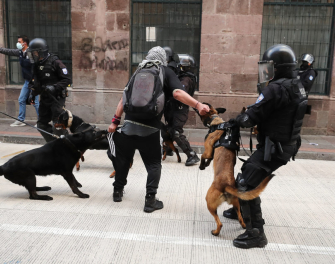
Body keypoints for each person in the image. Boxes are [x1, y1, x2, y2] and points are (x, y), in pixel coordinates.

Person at [223, 44, 307, 249]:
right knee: (249, 173)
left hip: (275, 147)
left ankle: (256, 233)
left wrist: (235, 121)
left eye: (269, 66)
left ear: (278, 67)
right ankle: (240, 210)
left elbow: (251, 116)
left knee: (246, 182)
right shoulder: (296, 84)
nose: (266, 70)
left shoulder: (275, 88)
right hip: (285, 144)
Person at [107, 46, 210, 213]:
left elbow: (123, 97)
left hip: (128, 125)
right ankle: (150, 200)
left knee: (124, 161)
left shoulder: (138, 71)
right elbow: (177, 93)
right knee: (154, 164)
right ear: (164, 59)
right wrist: (198, 105)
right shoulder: (165, 71)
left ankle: (117, 192)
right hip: (150, 128)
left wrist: (115, 121)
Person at [0, 35, 39, 126]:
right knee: (21, 99)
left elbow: (37, 67)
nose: (18, 43)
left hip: (35, 81)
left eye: (19, 42)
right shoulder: (20, 52)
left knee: (35, 101)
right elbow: (8, 51)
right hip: (27, 81)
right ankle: (20, 120)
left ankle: (41, 122)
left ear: (25, 43)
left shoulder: (31, 53)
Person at [26, 38, 72, 142]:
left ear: (41, 51)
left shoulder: (55, 62)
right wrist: (32, 94)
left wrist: (54, 87)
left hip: (57, 97)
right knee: (41, 125)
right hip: (45, 98)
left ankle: (67, 144)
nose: (33, 55)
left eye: (35, 52)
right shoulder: (36, 65)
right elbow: (34, 81)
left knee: (58, 125)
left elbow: (67, 79)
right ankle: (53, 144)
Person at [164, 54, 200, 166]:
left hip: (180, 110)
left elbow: (179, 92)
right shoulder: (182, 77)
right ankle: (168, 150)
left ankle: (192, 154)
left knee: (176, 132)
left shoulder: (186, 79)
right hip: (173, 109)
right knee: (168, 129)